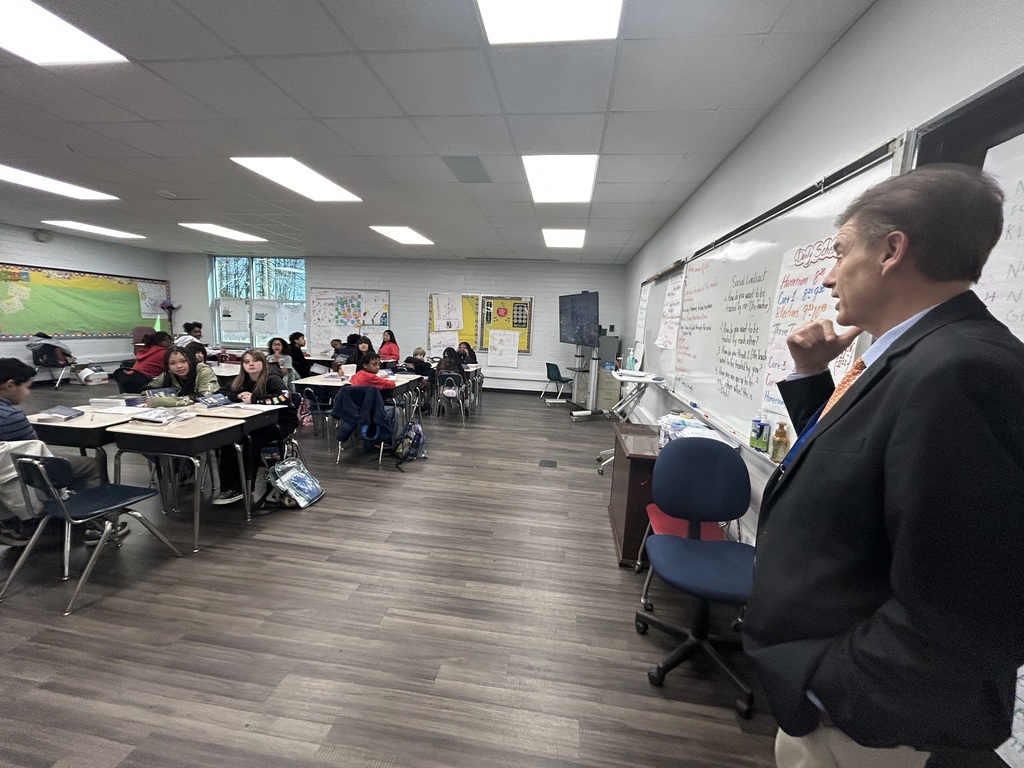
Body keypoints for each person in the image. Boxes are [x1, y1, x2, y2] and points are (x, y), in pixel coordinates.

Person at [743, 164, 1024, 768]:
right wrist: (811, 378)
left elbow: (965, 603)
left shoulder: (963, 371)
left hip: (863, 724)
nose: (827, 274)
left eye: (840, 252)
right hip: (835, 695)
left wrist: (824, 689)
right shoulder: (917, 354)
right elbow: (861, 467)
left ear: (892, 250)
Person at [0, 358, 114, 546]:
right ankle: (95, 524)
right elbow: (35, 449)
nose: (28, 394)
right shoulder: (11, 417)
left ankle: (9, 523)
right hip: (18, 472)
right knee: (90, 465)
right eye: (27, 387)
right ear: (10, 385)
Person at [212, 350, 297, 507]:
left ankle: (245, 486)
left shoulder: (272, 377)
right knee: (228, 439)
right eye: (246, 361)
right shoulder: (241, 380)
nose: (250, 364)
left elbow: (284, 397)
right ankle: (230, 487)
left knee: (252, 441)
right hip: (255, 422)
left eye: (255, 360)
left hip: (282, 421)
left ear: (263, 363)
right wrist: (236, 396)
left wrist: (255, 399)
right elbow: (218, 394)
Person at [143, 346, 218, 407]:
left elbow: (205, 396)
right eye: (172, 363)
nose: (179, 366)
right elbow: (146, 390)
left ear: (191, 360)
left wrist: (162, 401)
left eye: (183, 361)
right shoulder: (169, 374)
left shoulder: (204, 371)